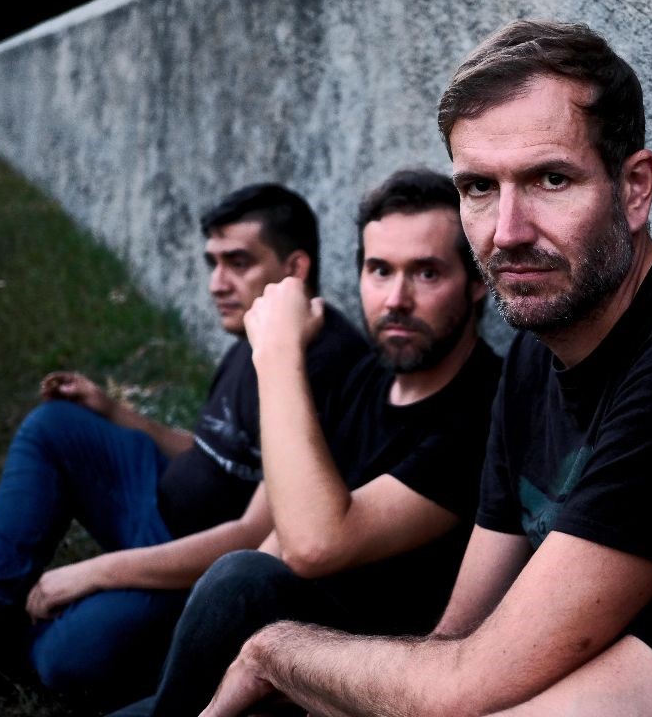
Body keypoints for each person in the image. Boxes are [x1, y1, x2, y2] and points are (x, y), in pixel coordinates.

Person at [200, 21, 652, 717]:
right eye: (479, 187)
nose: (508, 232)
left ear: (635, 189)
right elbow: (459, 635)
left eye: (551, 179)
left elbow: (463, 683)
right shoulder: (533, 353)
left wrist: (274, 654)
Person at [0, 184, 365, 709]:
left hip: (197, 567)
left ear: (295, 267)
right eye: (213, 263)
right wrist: (114, 412)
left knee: (67, 660)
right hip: (154, 502)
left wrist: (91, 573)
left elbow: (252, 535)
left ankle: (23, 630)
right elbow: (212, 450)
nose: (217, 283)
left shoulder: (319, 364)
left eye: (238, 262)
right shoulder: (257, 328)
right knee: (53, 425)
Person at [114, 168, 502, 717]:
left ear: (478, 280)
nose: (396, 299)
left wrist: (277, 351)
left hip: (371, 675)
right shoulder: (361, 379)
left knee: (239, 580)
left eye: (427, 273)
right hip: (274, 650)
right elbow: (275, 540)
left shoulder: (484, 410)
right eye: (379, 270)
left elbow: (316, 546)